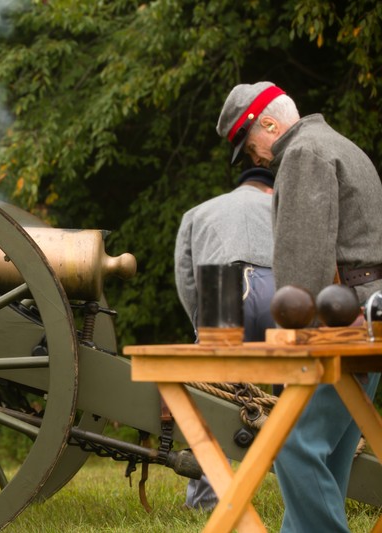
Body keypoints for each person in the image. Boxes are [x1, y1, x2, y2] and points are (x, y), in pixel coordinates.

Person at [216, 81, 382, 532]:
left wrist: (291, 334)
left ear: (268, 125)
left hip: (340, 323)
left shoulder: (304, 153)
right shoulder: (340, 145)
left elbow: (302, 265)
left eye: (253, 151)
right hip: (368, 315)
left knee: (290, 441)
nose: (259, 162)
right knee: (329, 450)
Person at [174, 166, 276, 511]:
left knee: (213, 400)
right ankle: (301, 493)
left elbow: (186, 279)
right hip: (280, 290)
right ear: (270, 190)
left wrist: (200, 328)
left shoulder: (198, 212)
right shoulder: (279, 206)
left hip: (219, 289)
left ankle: (206, 500)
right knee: (294, 393)